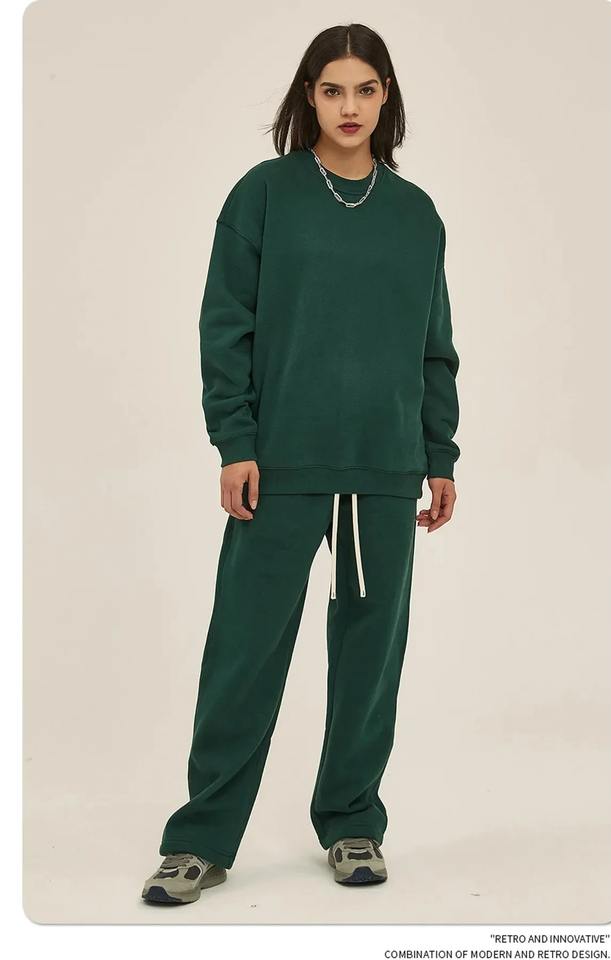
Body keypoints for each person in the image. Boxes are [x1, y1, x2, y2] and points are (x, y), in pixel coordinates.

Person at [141, 21, 460, 905]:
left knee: (370, 658)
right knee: (243, 653)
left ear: (386, 96)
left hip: (384, 469)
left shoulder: (416, 214)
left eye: (365, 89)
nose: (349, 106)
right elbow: (226, 325)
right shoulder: (264, 195)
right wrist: (236, 443)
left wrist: (439, 454)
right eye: (332, 90)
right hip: (279, 468)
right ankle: (200, 838)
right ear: (308, 97)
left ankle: (353, 822)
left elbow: (434, 345)